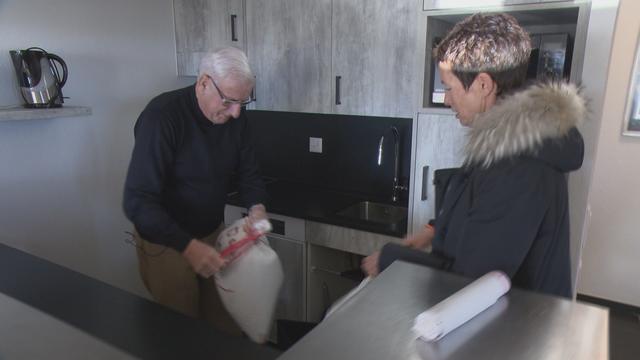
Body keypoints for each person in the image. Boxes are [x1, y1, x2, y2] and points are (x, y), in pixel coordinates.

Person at [362, 13, 586, 298]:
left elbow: (470, 281)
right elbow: (474, 203)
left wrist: (389, 258)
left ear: (483, 84)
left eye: (449, 87)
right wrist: (433, 230)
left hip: (517, 330)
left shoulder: (517, 166)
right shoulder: (506, 138)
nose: (446, 99)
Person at [123, 47, 268, 334]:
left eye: (243, 102)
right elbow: (137, 201)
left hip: (212, 233)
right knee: (183, 335)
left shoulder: (235, 117)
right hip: (167, 241)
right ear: (203, 83)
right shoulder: (162, 117)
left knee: (226, 325)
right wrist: (188, 247)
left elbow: (249, 172)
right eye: (228, 101)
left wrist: (256, 207)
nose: (236, 112)